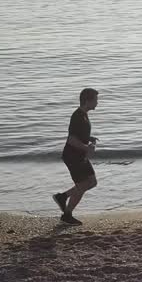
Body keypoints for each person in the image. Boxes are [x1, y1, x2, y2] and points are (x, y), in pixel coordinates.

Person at [53, 88, 99, 225]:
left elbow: (78, 134)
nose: (97, 103)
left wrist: (88, 138)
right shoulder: (78, 116)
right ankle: (67, 215)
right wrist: (86, 148)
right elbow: (71, 140)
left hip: (80, 156)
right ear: (87, 101)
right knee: (83, 184)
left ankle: (63, 197)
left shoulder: (83, 115)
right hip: (73, 157)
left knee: (91, 182)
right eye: (95, 100)